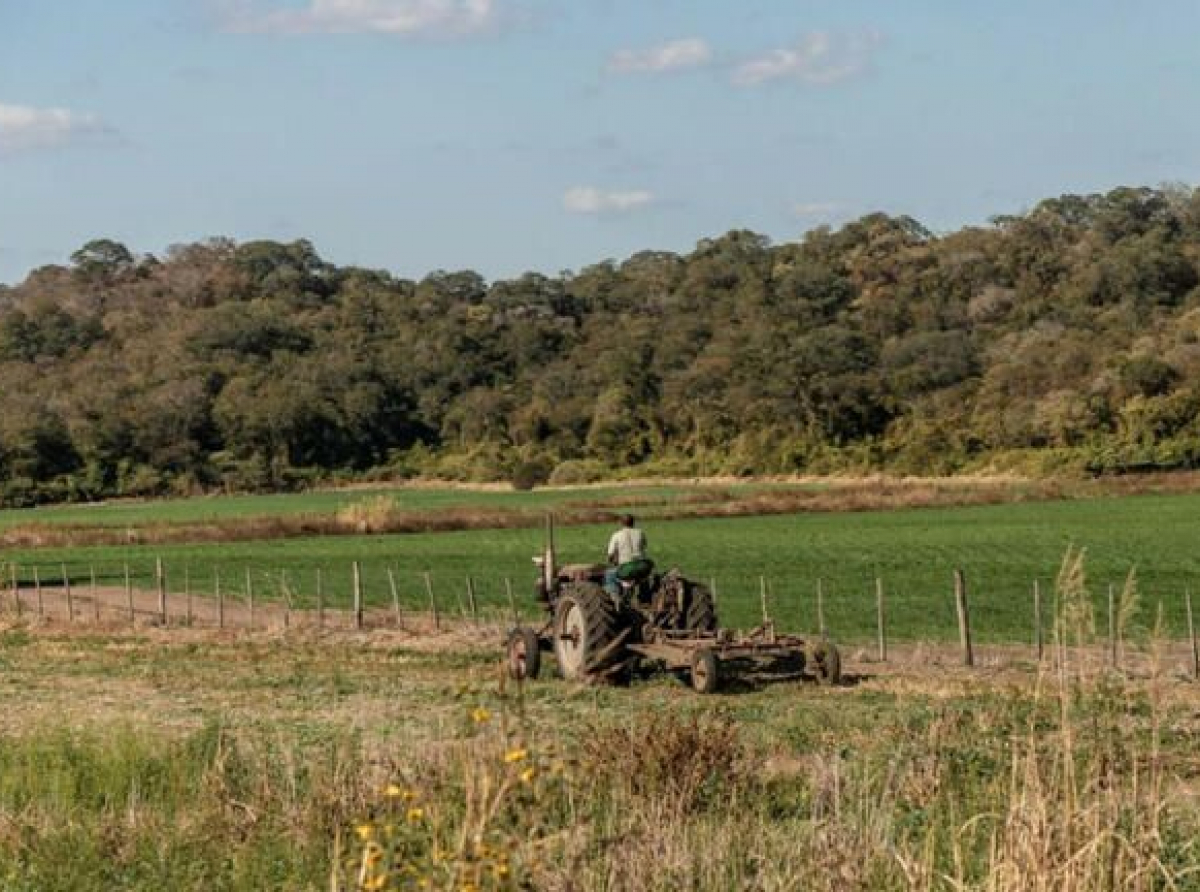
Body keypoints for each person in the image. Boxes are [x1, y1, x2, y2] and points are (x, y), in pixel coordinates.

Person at [604, 514, 653, 596]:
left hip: (626, 569)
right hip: (642, 566)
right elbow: (644, 546)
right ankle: (645, 597)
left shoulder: (616, 535)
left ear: (620, 523)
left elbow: (610, 554)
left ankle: (615, 597)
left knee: (609, 574)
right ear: (633, 523)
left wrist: (611, 561)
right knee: (643, 577)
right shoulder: (640, 533)